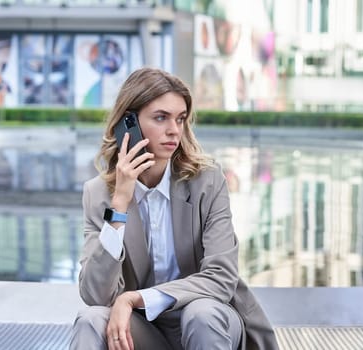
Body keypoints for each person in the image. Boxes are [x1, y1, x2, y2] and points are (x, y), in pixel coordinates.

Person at [70, 67, 278, 350]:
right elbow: (95, 294)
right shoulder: (98, 194)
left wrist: (136, 298)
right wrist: (119, 204)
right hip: (144, 332)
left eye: (180, 119)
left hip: (208, 320)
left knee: (201, 314)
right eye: (160, 118)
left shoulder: (207, 181)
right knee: (90, 319)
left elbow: (221, 277)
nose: (174, 130)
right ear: (127, 123)